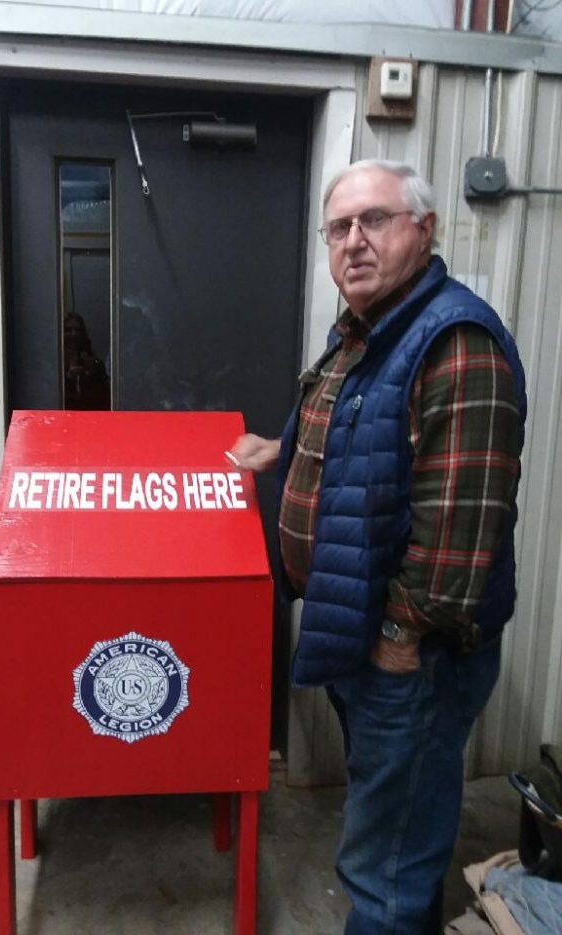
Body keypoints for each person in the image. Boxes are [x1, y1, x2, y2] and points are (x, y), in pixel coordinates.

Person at [231, 160, 526, 934]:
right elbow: (360, 435)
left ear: (422, 231)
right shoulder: (364, 334)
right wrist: (282, 448)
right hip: (362, 635)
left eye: (375, 220)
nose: (353, 242)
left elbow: (460, 531)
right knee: (394, 831)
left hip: (410, 655)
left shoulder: (454, 341)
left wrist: (398, 638)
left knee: (384, 863)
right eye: (339, 227)